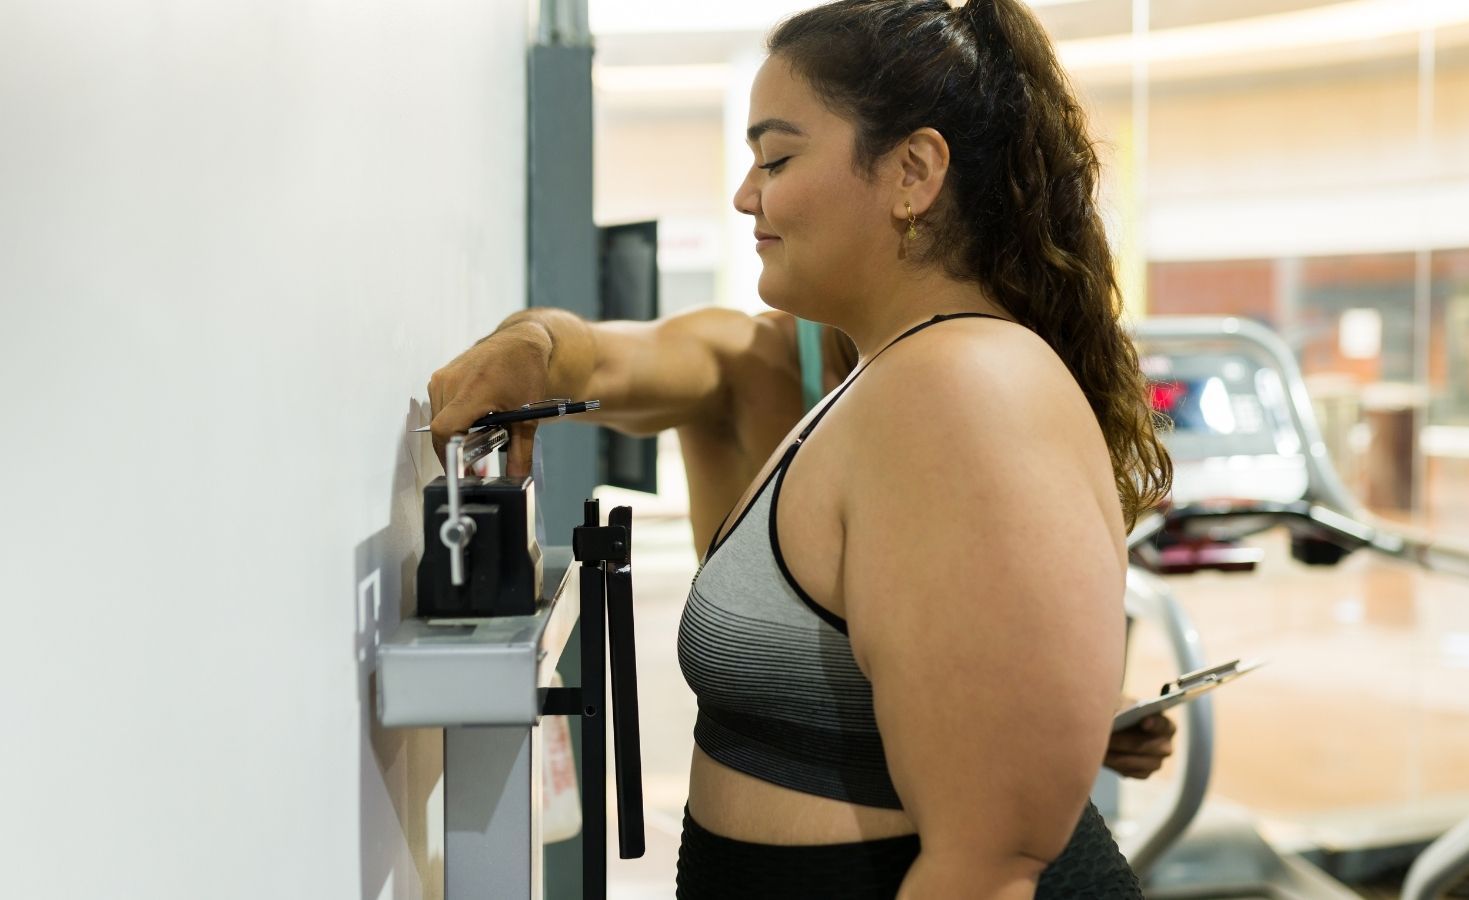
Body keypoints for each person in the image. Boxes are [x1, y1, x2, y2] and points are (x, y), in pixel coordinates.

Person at [430, 0, 1174, 895]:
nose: (747, 195)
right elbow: (615, 359)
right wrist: (533, 352)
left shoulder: (962, 388)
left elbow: (988, 866)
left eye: (777, 159)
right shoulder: (876, 377)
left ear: (913, 171)